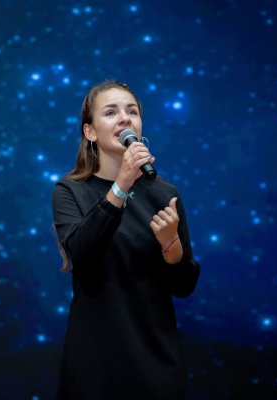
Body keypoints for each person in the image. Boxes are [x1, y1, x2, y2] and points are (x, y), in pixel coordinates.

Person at [52, 80, 200, 400]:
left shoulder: (164, 193)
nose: (124, 118)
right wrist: (120, 186)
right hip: (95, 359)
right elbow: (80, 251)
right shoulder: (70, 191)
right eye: (111, 112)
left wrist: (171, 245)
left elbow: (184, 285)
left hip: (154, 355)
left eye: (132, 111)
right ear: (90, 132)